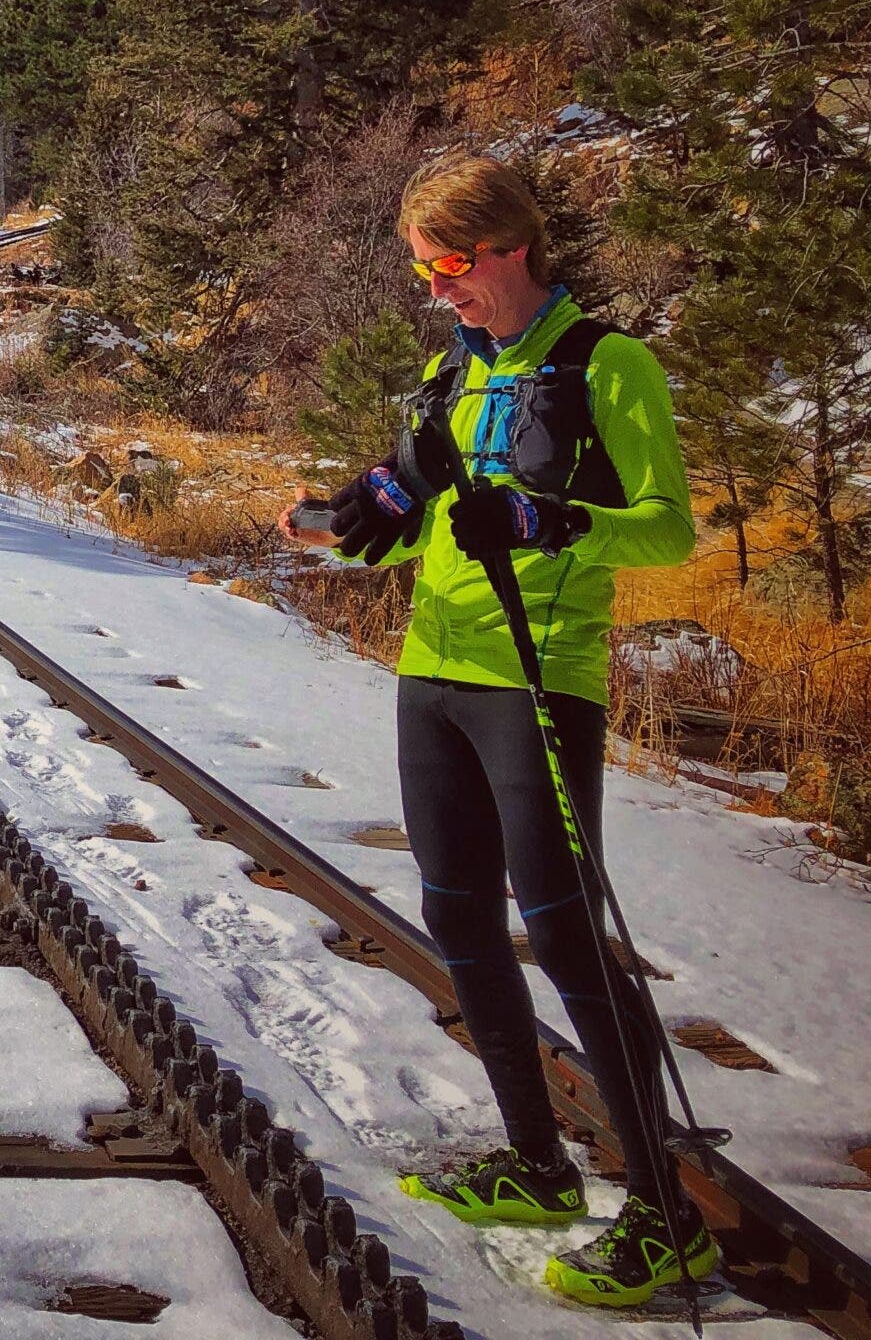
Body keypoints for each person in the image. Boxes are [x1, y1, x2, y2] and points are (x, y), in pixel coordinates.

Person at [277, 155, 717, 1309]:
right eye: (424, 271)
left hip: (538, 679)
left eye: (452, 266)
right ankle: (536, 1164)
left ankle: (668, 1222)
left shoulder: (603, 366)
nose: (438, 290)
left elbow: (668, 532)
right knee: (457, 918)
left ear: (512, 247)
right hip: (431, 671)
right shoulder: (449, 371)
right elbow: (432, 512)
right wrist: (354, 518)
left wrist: (549, 518)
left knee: (566, 933)